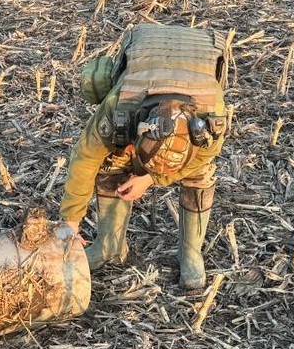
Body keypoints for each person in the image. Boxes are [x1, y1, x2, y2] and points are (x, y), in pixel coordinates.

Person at [60, 23, 228, 290]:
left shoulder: (210, 116)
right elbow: (84, 158)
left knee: (200, 174)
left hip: (197, 64)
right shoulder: (120, 106)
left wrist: (151, 178)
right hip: (146, 58)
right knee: (112, 159)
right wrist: (71, 220)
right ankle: (110, 246)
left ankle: (191, 254)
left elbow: (205, 155)